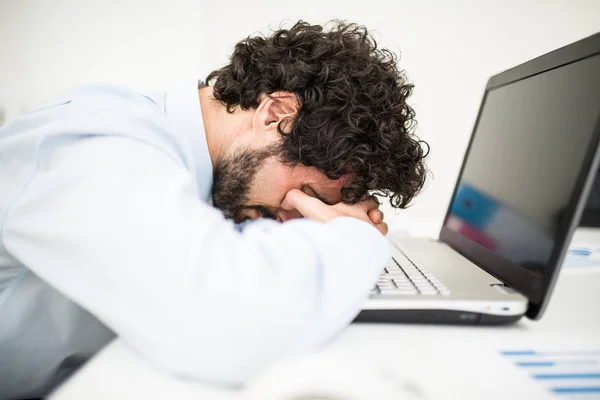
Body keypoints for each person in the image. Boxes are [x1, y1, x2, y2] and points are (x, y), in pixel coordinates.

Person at [0, 20, 428, 399]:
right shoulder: (101, 139)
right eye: (306, 195)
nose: (300, 215)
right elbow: (225, 326)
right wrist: (352, 237)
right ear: (276, 113)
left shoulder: (221, 180)